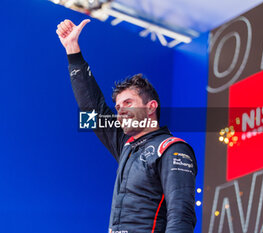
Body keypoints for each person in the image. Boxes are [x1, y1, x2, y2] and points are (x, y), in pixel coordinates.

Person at [56, 19, 198, 233]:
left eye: (128, 103)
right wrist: (72, 52)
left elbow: (181, 216)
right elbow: (92, 108)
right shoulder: (127, 146)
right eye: (118, 106)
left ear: (151, 107)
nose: (120, 110)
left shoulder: (172, 149)